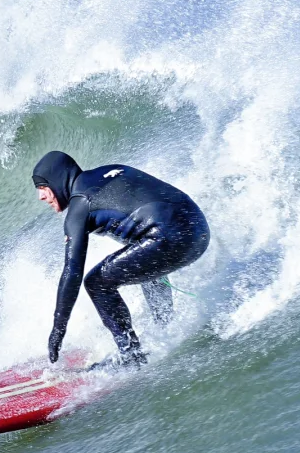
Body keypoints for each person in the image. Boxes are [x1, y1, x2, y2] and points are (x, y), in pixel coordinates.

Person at [32, 150, 209, 367]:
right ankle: (166, 328)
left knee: (96, 283)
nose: (41, 196)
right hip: (198, 229)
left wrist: (58, 329)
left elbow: (73, 271)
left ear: (57, 180)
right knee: (142, 258)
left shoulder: (80, 204)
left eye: (42, 187)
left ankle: (131, 355)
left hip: (169, 239)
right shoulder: (112, 170)